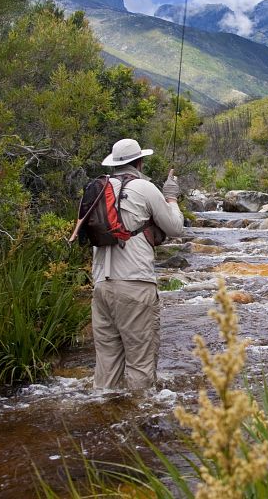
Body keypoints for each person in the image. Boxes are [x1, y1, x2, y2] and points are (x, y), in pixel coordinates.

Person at [91, 138, 184, 390]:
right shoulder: (145, 188)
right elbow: (175, 228)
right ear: (139, 162)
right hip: (135, 284)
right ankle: (139, 421)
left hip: (101, 286)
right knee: (140, 364)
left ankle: (103, 415)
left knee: (106, 365)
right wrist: (171, 198)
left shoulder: (98, 189)